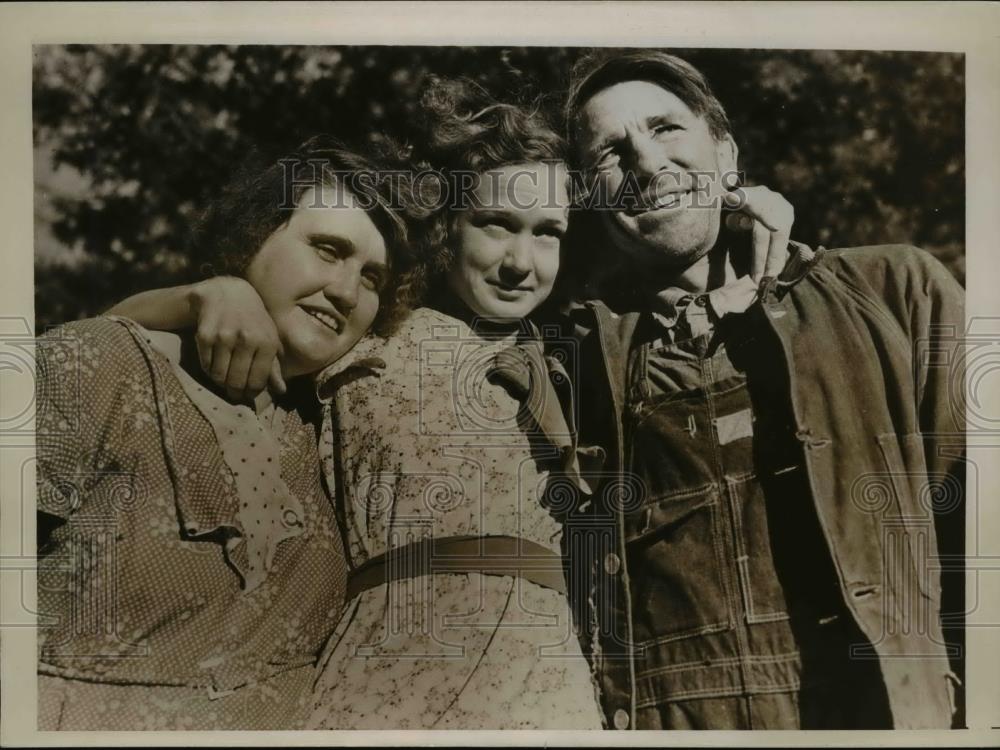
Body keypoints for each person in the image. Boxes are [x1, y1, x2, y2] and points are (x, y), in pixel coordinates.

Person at [558, 49, 965, 730]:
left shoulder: (897, 292)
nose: (647, 162)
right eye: (610, 151)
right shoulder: (569, 358)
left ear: (726, 152)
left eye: (666, 129)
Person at [35, 136, 424, 730]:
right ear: (251, 237)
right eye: (326, 249)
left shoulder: (333, 433)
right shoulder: (102, 363)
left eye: (372, 278)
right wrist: (199, 295)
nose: (347, 291)